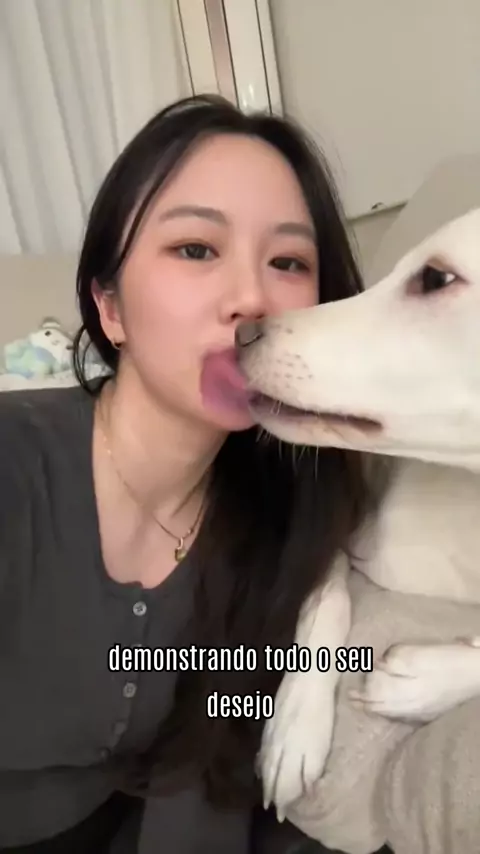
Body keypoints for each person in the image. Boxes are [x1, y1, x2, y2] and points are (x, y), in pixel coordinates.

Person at [0, 94, 370, 852]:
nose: (253, 299)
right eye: (196, 248)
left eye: (289, 263)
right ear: (110, 308)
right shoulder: (17, 468)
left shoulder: (287, 507)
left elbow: (207, 763)